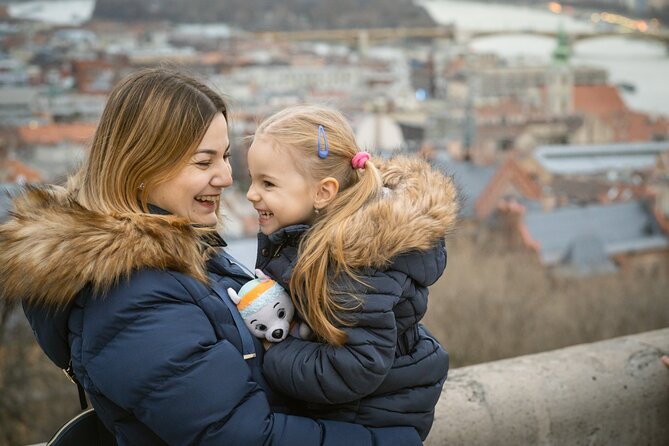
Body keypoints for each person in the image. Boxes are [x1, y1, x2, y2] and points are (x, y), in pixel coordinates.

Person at [0, 69, 422, 446]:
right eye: (205, 161)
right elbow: (241, 436)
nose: (225, 177)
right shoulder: (128, 297)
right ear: (142, 166)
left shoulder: (178, 252)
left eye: (223, 156)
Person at [245, 105, 458, 440]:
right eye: (252, 179)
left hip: (371, 419)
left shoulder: (348, 264)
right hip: (371, 405)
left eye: (267, 183)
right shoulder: (322, 239)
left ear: (323, 192)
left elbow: (356, 366)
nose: (251, 194)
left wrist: (277, 353)